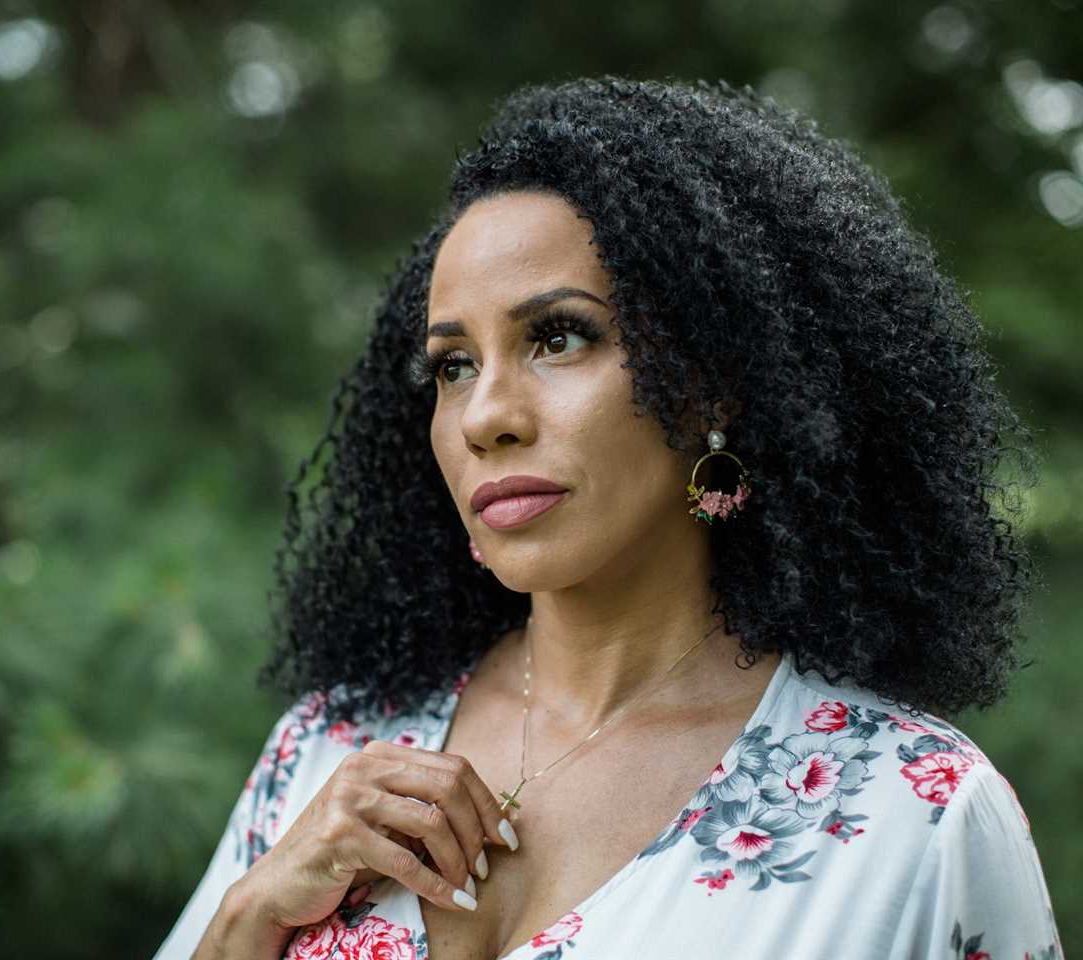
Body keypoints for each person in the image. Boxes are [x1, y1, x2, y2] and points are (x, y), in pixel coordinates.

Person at [153, 75, 1062, 960]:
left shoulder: (912, 820)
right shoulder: (328, 749)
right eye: (453, 366)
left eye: (558, 337)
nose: (484, 416)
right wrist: (246, 925)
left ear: (714, 379)